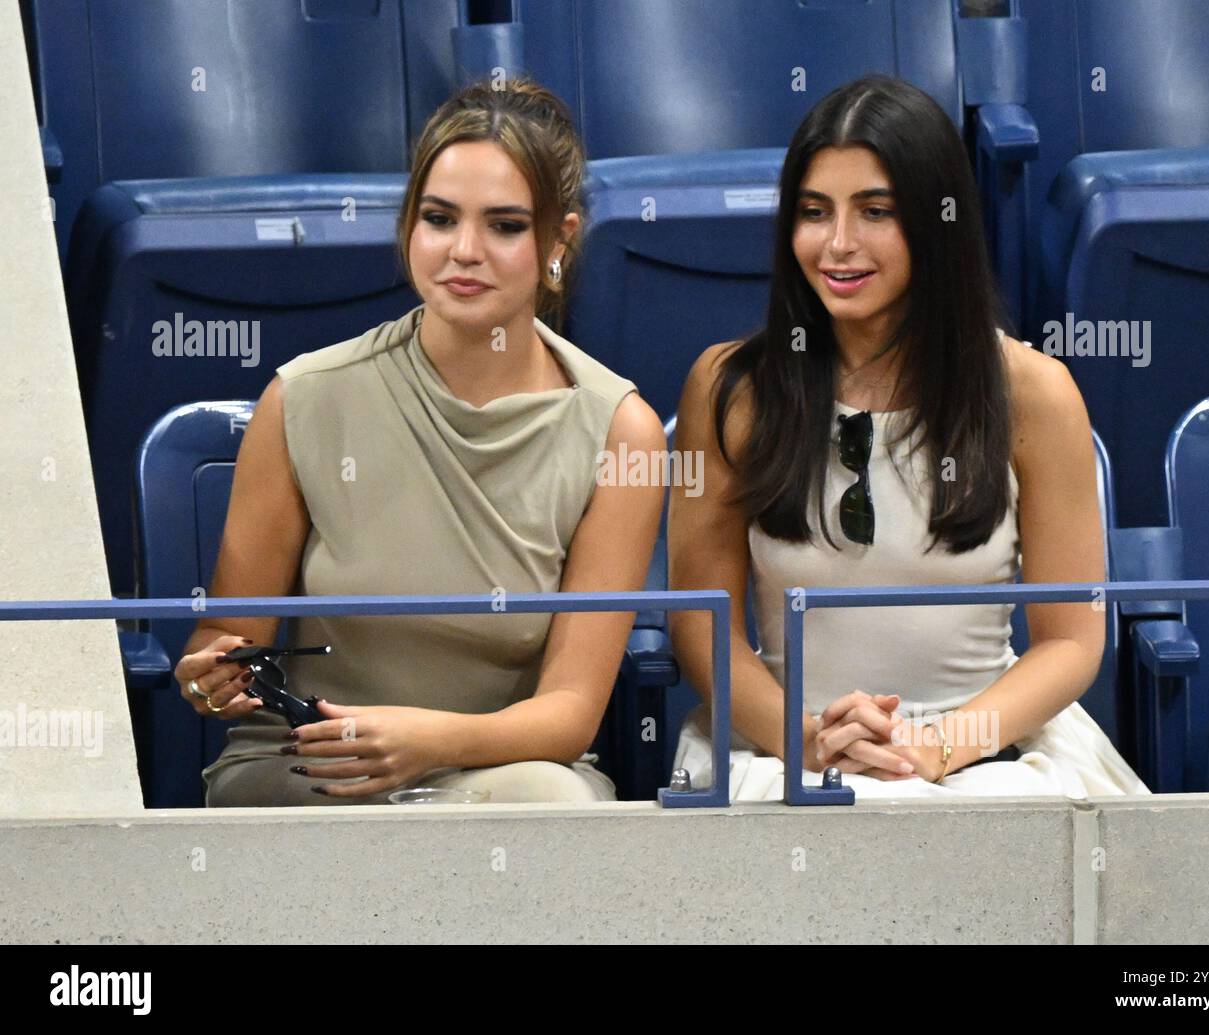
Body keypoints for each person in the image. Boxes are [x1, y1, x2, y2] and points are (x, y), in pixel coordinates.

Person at [175, 78, 664, 806]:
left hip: (500, 765)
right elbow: (224, 638)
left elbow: (568, 712)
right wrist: (207, 677)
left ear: (559, 240)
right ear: (410, 226)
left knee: (552, 802)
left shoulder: (622, 431)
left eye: (504, 226)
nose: (464, 251)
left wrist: (426, 742)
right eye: (440, 218)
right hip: (313, 760)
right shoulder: (304, 397)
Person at [667, 74, 1150, 801]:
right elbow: (702, 626)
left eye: (875, 212)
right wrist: (805, 738)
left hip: (991, 756)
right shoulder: (729, 387)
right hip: (785, 751)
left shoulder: (1034, 392)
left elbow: (1071, 640)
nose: (837, 244)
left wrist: (938, 748)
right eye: (813, 211)